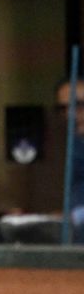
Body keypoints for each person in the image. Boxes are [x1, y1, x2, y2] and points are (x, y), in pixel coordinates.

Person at [55, 77, 84, 243]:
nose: (70, 114)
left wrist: (73, 216)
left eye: (79, 105)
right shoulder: (72, 145)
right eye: (63, 108)